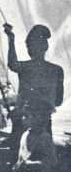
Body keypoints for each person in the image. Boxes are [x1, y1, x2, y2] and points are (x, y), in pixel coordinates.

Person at [4, 23, 64, 152]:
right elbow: (58, 101)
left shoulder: (25, 68)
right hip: (45, 121)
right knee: (44, 156)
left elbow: (12, 64)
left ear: (29, 48)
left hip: (23, 120)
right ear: (46, 47)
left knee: (18, 157)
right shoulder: (57, 70)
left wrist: (11, 39)